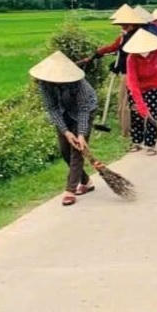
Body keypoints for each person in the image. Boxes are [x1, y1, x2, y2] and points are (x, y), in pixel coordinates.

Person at [31, 51, 98, 207]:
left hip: (85, 110)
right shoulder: (45, 83)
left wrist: (81, 134)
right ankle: (86, 182)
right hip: (63, 112)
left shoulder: (79, 83)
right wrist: (66, 132)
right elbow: (52, 108)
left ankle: (70, 190)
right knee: (65, 150)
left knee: (77, 150)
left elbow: (83, 109)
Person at [86, 4, 149, 137]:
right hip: (125, 73)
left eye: (125, 25)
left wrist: (118, 64)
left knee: (127, 103)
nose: (123, 27)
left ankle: (129, 131)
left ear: (133, 24)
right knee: (123, 102)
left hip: (133, 75)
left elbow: (136, 57)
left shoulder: (139, 37)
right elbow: (114, 47)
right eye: (122, 25)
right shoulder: (124, 36)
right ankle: (128, 130)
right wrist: (98, 53)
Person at [123, 28, 157, 155]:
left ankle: (150, 144)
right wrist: (141, 106)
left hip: (153, 87)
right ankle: (137, 142)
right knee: (137, 116)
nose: (144, 51)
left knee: (153, 115)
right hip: (136, 88)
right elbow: (133, 83)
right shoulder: (131, 59)